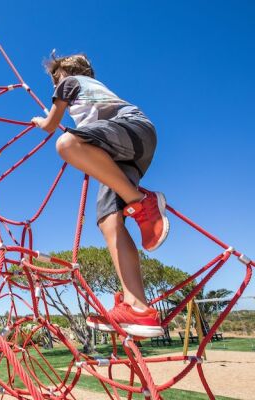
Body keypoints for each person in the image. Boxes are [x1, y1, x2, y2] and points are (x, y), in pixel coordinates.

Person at [31, 52, 168, 338]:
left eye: (55, 79)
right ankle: (138, 307)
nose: (55, 85)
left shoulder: (71, 82)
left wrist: (40, 120)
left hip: (130, 129)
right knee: (108, 221)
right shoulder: (90, 93)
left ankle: (142, 203)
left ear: (63, 74)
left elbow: (51, 125)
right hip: (121, 153)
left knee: (67, 144)